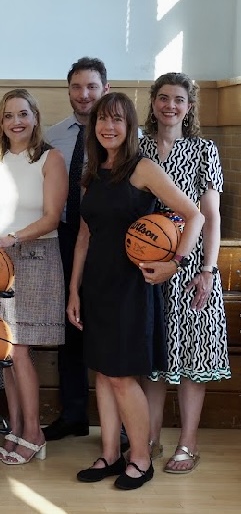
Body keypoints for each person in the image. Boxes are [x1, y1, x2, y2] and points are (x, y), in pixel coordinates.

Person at [68, 92, 204, 490]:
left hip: (131, 287)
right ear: (94, 128)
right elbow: (83, 236)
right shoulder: (92, 172)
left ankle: (140, 458)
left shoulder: (142, 168)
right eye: (102, 121)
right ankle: (110, 454)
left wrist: (174, 263)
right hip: (96, 285)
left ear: (129, 127)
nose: (108, 127)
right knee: (104, 375)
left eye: (117, 121)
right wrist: (74, 290)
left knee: (123, 378)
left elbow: (192, 215)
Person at [139, 72, 230, 473]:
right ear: (153, 103)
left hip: (192, 268)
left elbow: (211, 217)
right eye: (163, 97)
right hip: (149, 266)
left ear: (189, 106)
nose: (169, 105)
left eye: (178, 99)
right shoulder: (138, 147)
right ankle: (151, 438)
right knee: (154, 360)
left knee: (193, 357)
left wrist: (208, 270)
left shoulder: (204, 149)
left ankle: (188, 443)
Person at [0, 89, 67, 465]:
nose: (16, 121)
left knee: (19, 349)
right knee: (3, 350)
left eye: (23, 114)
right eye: (9, 115)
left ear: (34, 117)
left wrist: (10, 239)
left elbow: (51, 217)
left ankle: (34, 432)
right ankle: (15, 428)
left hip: (35, 256)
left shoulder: (50, 158)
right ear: (0, 121)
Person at [43, 57, 110, 442]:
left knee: (104, 326)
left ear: (105, 89)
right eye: (76, 87)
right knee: (69, 324)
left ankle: (113, 423)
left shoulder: (123, 135)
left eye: (91, 87)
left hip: (108, 242)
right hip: (65, 237)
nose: (84, 95)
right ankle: (72, 414)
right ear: (68, 90)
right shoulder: (54, 137)